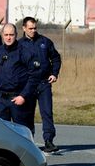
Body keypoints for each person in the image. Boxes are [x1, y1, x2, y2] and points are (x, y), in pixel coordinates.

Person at [0, 23, 39, 133]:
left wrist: (23, 96)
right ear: (2, 35)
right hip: (0, 99)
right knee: (0, 132)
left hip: (18, 99)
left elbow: (34, 77)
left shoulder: (25, 52)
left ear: (16, 35)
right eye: (6, 35)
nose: (8, 37)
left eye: (11, 35)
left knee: (22, 132)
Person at [19, 16, 62, 153]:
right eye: (30, 28)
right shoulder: (19, 45)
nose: (33, 30)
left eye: (35, 28)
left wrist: (54, 73)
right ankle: (28, 141)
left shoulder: (45, 42)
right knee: (28, 114)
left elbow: (55, 58)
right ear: (24, 28)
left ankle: (49, 141)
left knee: (47, 112)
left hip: (44, 83)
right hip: (28, 85)